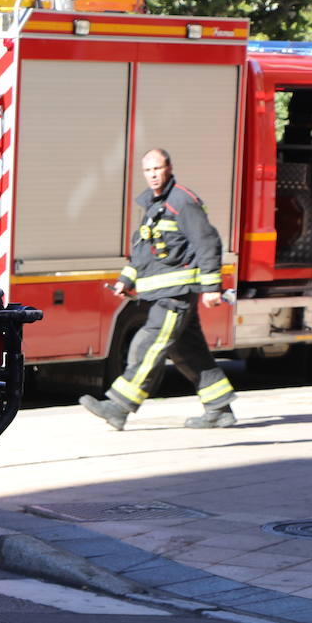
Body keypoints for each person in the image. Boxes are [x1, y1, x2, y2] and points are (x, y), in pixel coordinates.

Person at [80, 148, 237, 430]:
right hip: (164, 293)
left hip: (176, 295)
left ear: (169, 168)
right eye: (148, 170)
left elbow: (208, 242)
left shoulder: (182, 202)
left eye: (158, 169)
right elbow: (144, 251)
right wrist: (126, 279)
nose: (153, 175)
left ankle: (118, 407)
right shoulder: (155, 205)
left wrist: (212, 287)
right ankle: (219, 408)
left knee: (147, 344)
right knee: (188, 351)